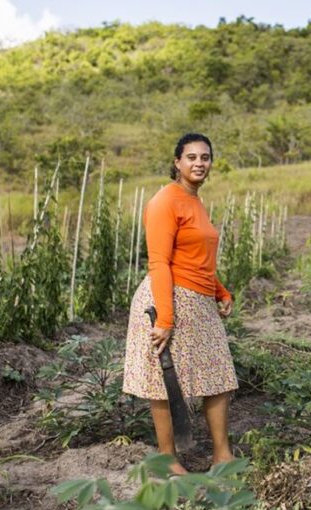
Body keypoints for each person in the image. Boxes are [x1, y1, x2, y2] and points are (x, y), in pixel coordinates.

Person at [123, 132, 237, 474]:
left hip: (199, 300)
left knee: (218, 377)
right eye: (191, 157)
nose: (199, 163)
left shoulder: (194, 201)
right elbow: (159, 262)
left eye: (205, 157)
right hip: (167, 298)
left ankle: (222, 456)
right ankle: (168, 460)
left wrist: (220, 291)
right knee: (163, 381)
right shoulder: (165, 201)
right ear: (177, 162)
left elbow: (195, 258)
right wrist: (165, 320)